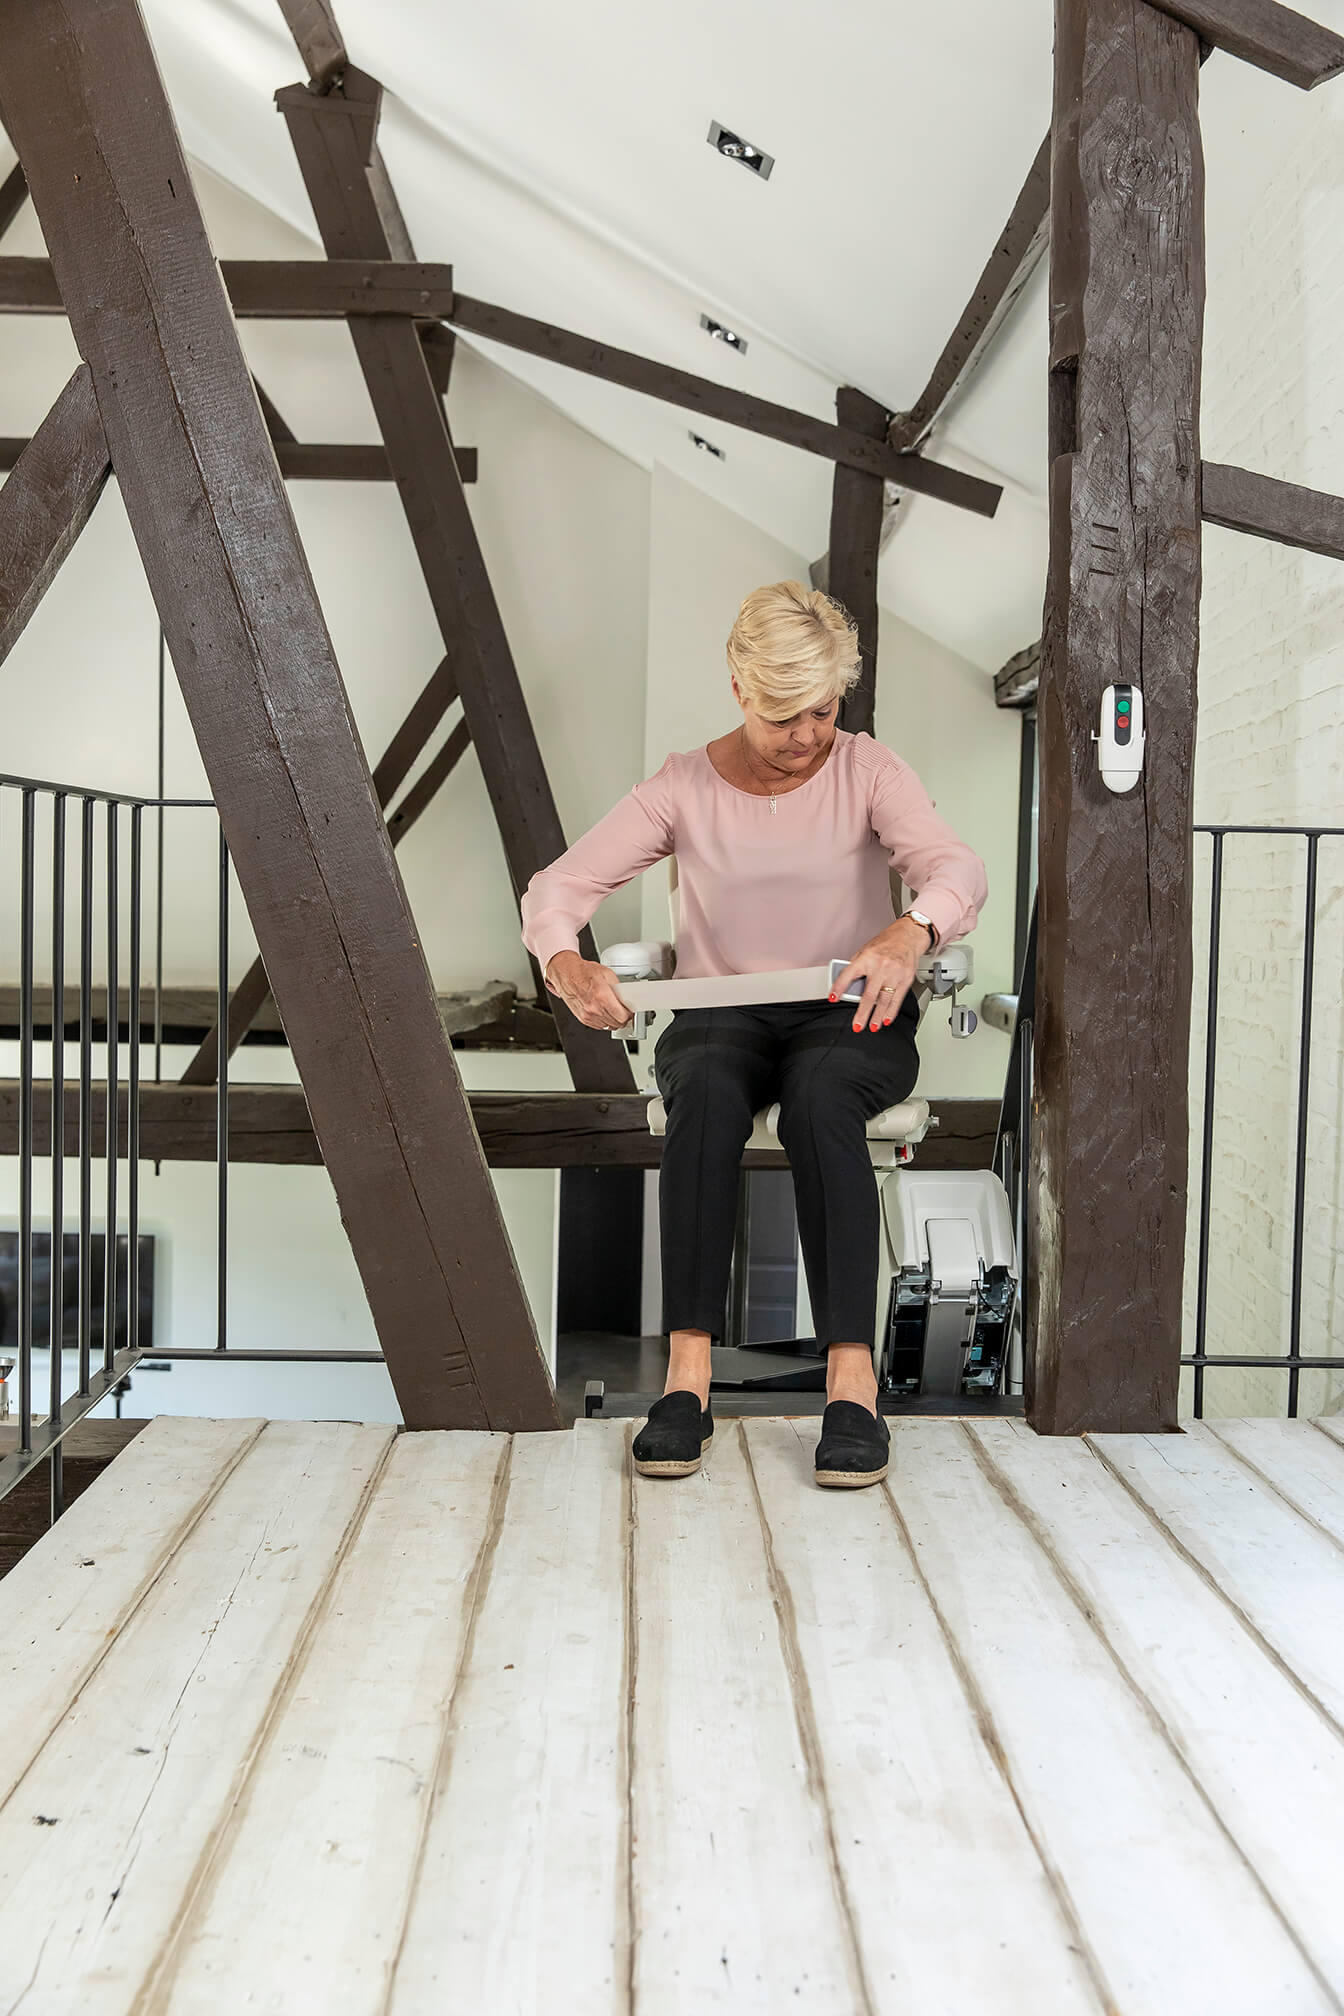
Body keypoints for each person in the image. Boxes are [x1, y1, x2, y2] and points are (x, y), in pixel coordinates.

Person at [521, 581, 987, 1489]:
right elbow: (559, 887)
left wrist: (912, 928)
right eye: (783, 716)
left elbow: (952, 865)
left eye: (821, 711)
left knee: (819, 1098)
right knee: (701, 1092)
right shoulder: (681, 787)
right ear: (739, 687)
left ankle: (852, 1388)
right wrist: (564, 963)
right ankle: (687, 1380)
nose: (806, 736)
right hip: (720, 1009)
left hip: (848, 1011)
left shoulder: (869, 771)